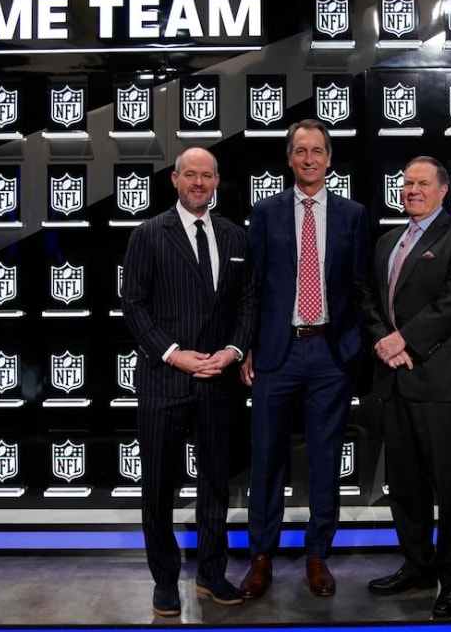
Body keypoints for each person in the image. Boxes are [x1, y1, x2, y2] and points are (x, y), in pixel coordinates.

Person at [238, 119, 371, 599]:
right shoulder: (265, 212)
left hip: (331, 353)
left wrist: (356, 345)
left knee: (325, 457)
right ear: (289, 158)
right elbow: (252, 286)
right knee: (266, 457)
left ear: (330, 158)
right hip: (278, 351)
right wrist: (246, 344)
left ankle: (318, 554)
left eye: (317, 150)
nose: (309, 158)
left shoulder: (353, 214)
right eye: (301, 151)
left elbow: (361, 286)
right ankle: (261, 556)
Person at [120, 147, 255, 617]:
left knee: (215, 484)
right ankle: (164, 579)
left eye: (207, 175)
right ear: (175, 180)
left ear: (217, 181)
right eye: (190, 175)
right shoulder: (148, 234)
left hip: (218, 381)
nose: (199, 183)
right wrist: (175, 354)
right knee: (158, 487)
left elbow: (248, 303)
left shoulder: (236, 236)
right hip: (164, 381)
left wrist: (233, 351)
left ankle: (212, 574)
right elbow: (133, 304)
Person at [360, 155, 451, 619]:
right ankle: (416, 566)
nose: (412, 190)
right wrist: (385, 342)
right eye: (407, 183)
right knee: (405, 485)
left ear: (443, 190)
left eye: (422, 183)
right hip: (394, 379)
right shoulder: (388, 240)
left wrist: (405, 340)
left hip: (441, 379)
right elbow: (369, 299)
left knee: (450, 485)